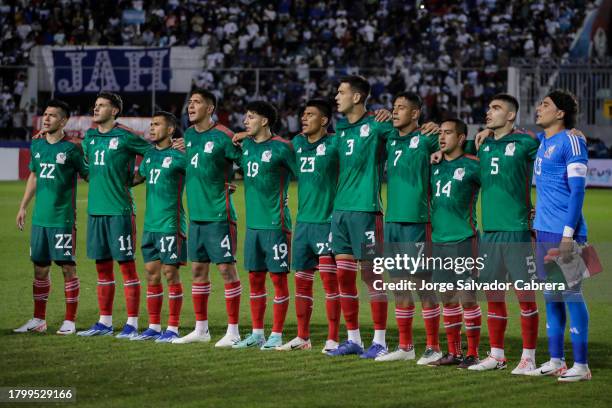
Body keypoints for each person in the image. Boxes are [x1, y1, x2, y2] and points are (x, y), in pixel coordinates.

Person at [466, 94, 540, 374]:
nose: (489, 111)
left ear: (510, 116)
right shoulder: (483, 145)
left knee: (525, 298)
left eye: (495, 108)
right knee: (493, 296)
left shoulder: (526, 142)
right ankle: (497, 355)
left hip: (518, 231)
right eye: (489, 106)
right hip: (490, 233)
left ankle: (529, 357)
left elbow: (551, 164)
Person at [326, 76, 394, 358]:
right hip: (340, 212)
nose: (336, 97)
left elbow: (404, 138)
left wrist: (394, 119)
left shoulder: (378, 124)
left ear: (356, 97)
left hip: (366, 210)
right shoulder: (340, 129)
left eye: (340, 92)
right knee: (343, 276)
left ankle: (380, 340)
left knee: (371, 275)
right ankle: (353, 338)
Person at [528, 90, 592, 382]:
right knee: (551, 297)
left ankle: (581, 365)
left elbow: (578, 190)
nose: (539, 108)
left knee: (572, 295)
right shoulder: (545, 140)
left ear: (561, 113)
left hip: (566, 232)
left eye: (545, 105)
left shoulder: (572, 141)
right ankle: (556, 360)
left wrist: (568, 235)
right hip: (543, 231)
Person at [172, 89, 244, 347]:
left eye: (197, 102)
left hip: (219, 215)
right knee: (198, 270)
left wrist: (232, 180)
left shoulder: (224, 135)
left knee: (226, 269)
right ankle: (201, 329)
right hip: (197, 217)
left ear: (210, 108)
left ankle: (233, 331)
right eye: (189, 102)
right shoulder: (189, 135)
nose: (191, 106)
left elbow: (246, 162)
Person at [374, 92, 442, 364]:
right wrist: (377, 113)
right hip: (392, 222)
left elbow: (460, 145)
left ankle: (433, 347)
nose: (395, 111)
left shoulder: (427, 139)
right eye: (393, 107)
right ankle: (405, 347)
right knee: (400, 285)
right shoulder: (389, 137)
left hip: (418, 221)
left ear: (415, 114)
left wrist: (438, 130)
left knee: (423, 285)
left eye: (402, 108)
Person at [77, 92, 152, 338]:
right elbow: (88, 168)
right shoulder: (89, 137)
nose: (96, 108)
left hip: (120, 211)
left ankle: (131, 324)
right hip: (95, 212)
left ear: (115, 111)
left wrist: (137, 178)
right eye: (95, 105)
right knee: (102, 268)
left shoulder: (126, 136)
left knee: (127, 266)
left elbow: (154, 154)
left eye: (101, 105)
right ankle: (105, 322)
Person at [14, 99, 88, 335]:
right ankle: (39, 319)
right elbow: (34, 176)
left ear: (63, 121)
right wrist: (23, 206)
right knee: (40, 269)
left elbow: (88, 174)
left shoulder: (72, 148)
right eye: (45, 114)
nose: (46, 119)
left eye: (52, 116)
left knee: (67, 268)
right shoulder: (37, 145)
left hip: (62, 220)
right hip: (40, 220)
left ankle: (70, 320)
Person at [276, 99, 342, 353]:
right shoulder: (297, 145)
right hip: (303, 224)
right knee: (302, 282)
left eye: (310, 114)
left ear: (324, 120)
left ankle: (333, 338)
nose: (304, 118)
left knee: (330, 284)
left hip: (328, 222)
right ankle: (303, 337)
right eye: (303, 114)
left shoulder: (335, 143)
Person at [232, 101, 298, 350]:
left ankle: (277, 334)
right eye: (245, 116)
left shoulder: (282, 148)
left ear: (264, 121)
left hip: (276, 224)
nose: (245, 121)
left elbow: (303, 174)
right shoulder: (245, 145)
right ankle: (257, 333)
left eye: (250, 117)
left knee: (279, 281)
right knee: (255, 280)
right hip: (253, 227)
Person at [428, 119, 482, 369]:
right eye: (440, 133)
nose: (442, 137)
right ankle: (454, 352)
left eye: (448, 133)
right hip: (439, 240)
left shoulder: (473, 166)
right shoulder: (434, 165)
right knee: (447, 298)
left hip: (464, 240)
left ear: (461, 138)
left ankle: (473, 353)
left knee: (468, 298)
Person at [130, 112, 187, 343]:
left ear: (171, 129)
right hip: (151, 226)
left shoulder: (180, 156)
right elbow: (136, 179)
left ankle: (172, 327)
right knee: (152, 275)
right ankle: (154, 326)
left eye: (157, 124)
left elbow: (202, 174)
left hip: (170, 225)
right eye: (151, 124)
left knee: (170, 274)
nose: (152, 128)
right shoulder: (150, 155)